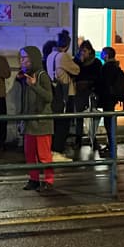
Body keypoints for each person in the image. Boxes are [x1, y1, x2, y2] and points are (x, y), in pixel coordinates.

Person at [17, 46, 55, 192]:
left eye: (25, 58)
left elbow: (48, 97)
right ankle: (33, 179)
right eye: (21, 58)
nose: (22, 61)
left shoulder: (41, 76)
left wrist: (34, 86)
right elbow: (25, 102)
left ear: (33, 59)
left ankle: (48, 180)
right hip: (29, 122)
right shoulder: (26, 76)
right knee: (30, 154)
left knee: (44, 154)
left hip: (42, 122)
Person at [45, 30, 79, 162]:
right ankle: (57, 151)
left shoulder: (50, 55)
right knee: (64, 123)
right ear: (67, 45)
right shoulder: (63, 56)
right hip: (66, 93)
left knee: (55, 121)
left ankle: (52, 149)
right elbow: (76, 69)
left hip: (54, 92)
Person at [74, 40, 102, 151]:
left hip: (91, 92)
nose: (82, 53)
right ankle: (78, 140)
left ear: (90, 51)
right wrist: (78, 62)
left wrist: (90, 84)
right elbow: (75, 74)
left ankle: (93, 140)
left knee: (91, 118)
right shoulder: (77, 62)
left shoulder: (96, 63)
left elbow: (98, 77)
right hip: (80, 92)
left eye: (84, 51)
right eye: (81, 51)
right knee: (79, 117)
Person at [98, 47, 122, 154]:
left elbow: (103, 83)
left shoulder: (106, 67)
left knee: (109, 122)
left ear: (107, 55)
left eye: (103, 53)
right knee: (110, 121)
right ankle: (111, 145)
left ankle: (112, 146)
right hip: (113, 97)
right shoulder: (116, 66)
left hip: (107, 98)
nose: (101, 55)